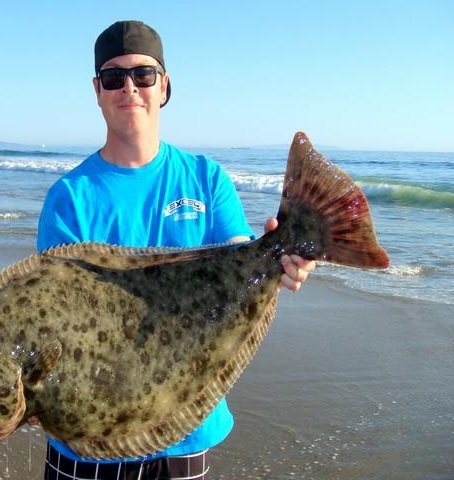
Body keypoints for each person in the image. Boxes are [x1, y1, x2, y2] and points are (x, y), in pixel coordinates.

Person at [36, 20, 315, 480]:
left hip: (186, 431)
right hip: (88, 442)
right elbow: (56, 319)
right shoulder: (69, 197)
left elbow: (238, 258)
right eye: (113, 77)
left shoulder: (206, 179)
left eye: (143, 75)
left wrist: (281, 264)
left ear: (164, 86)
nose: (129, 87)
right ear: (97, 90)